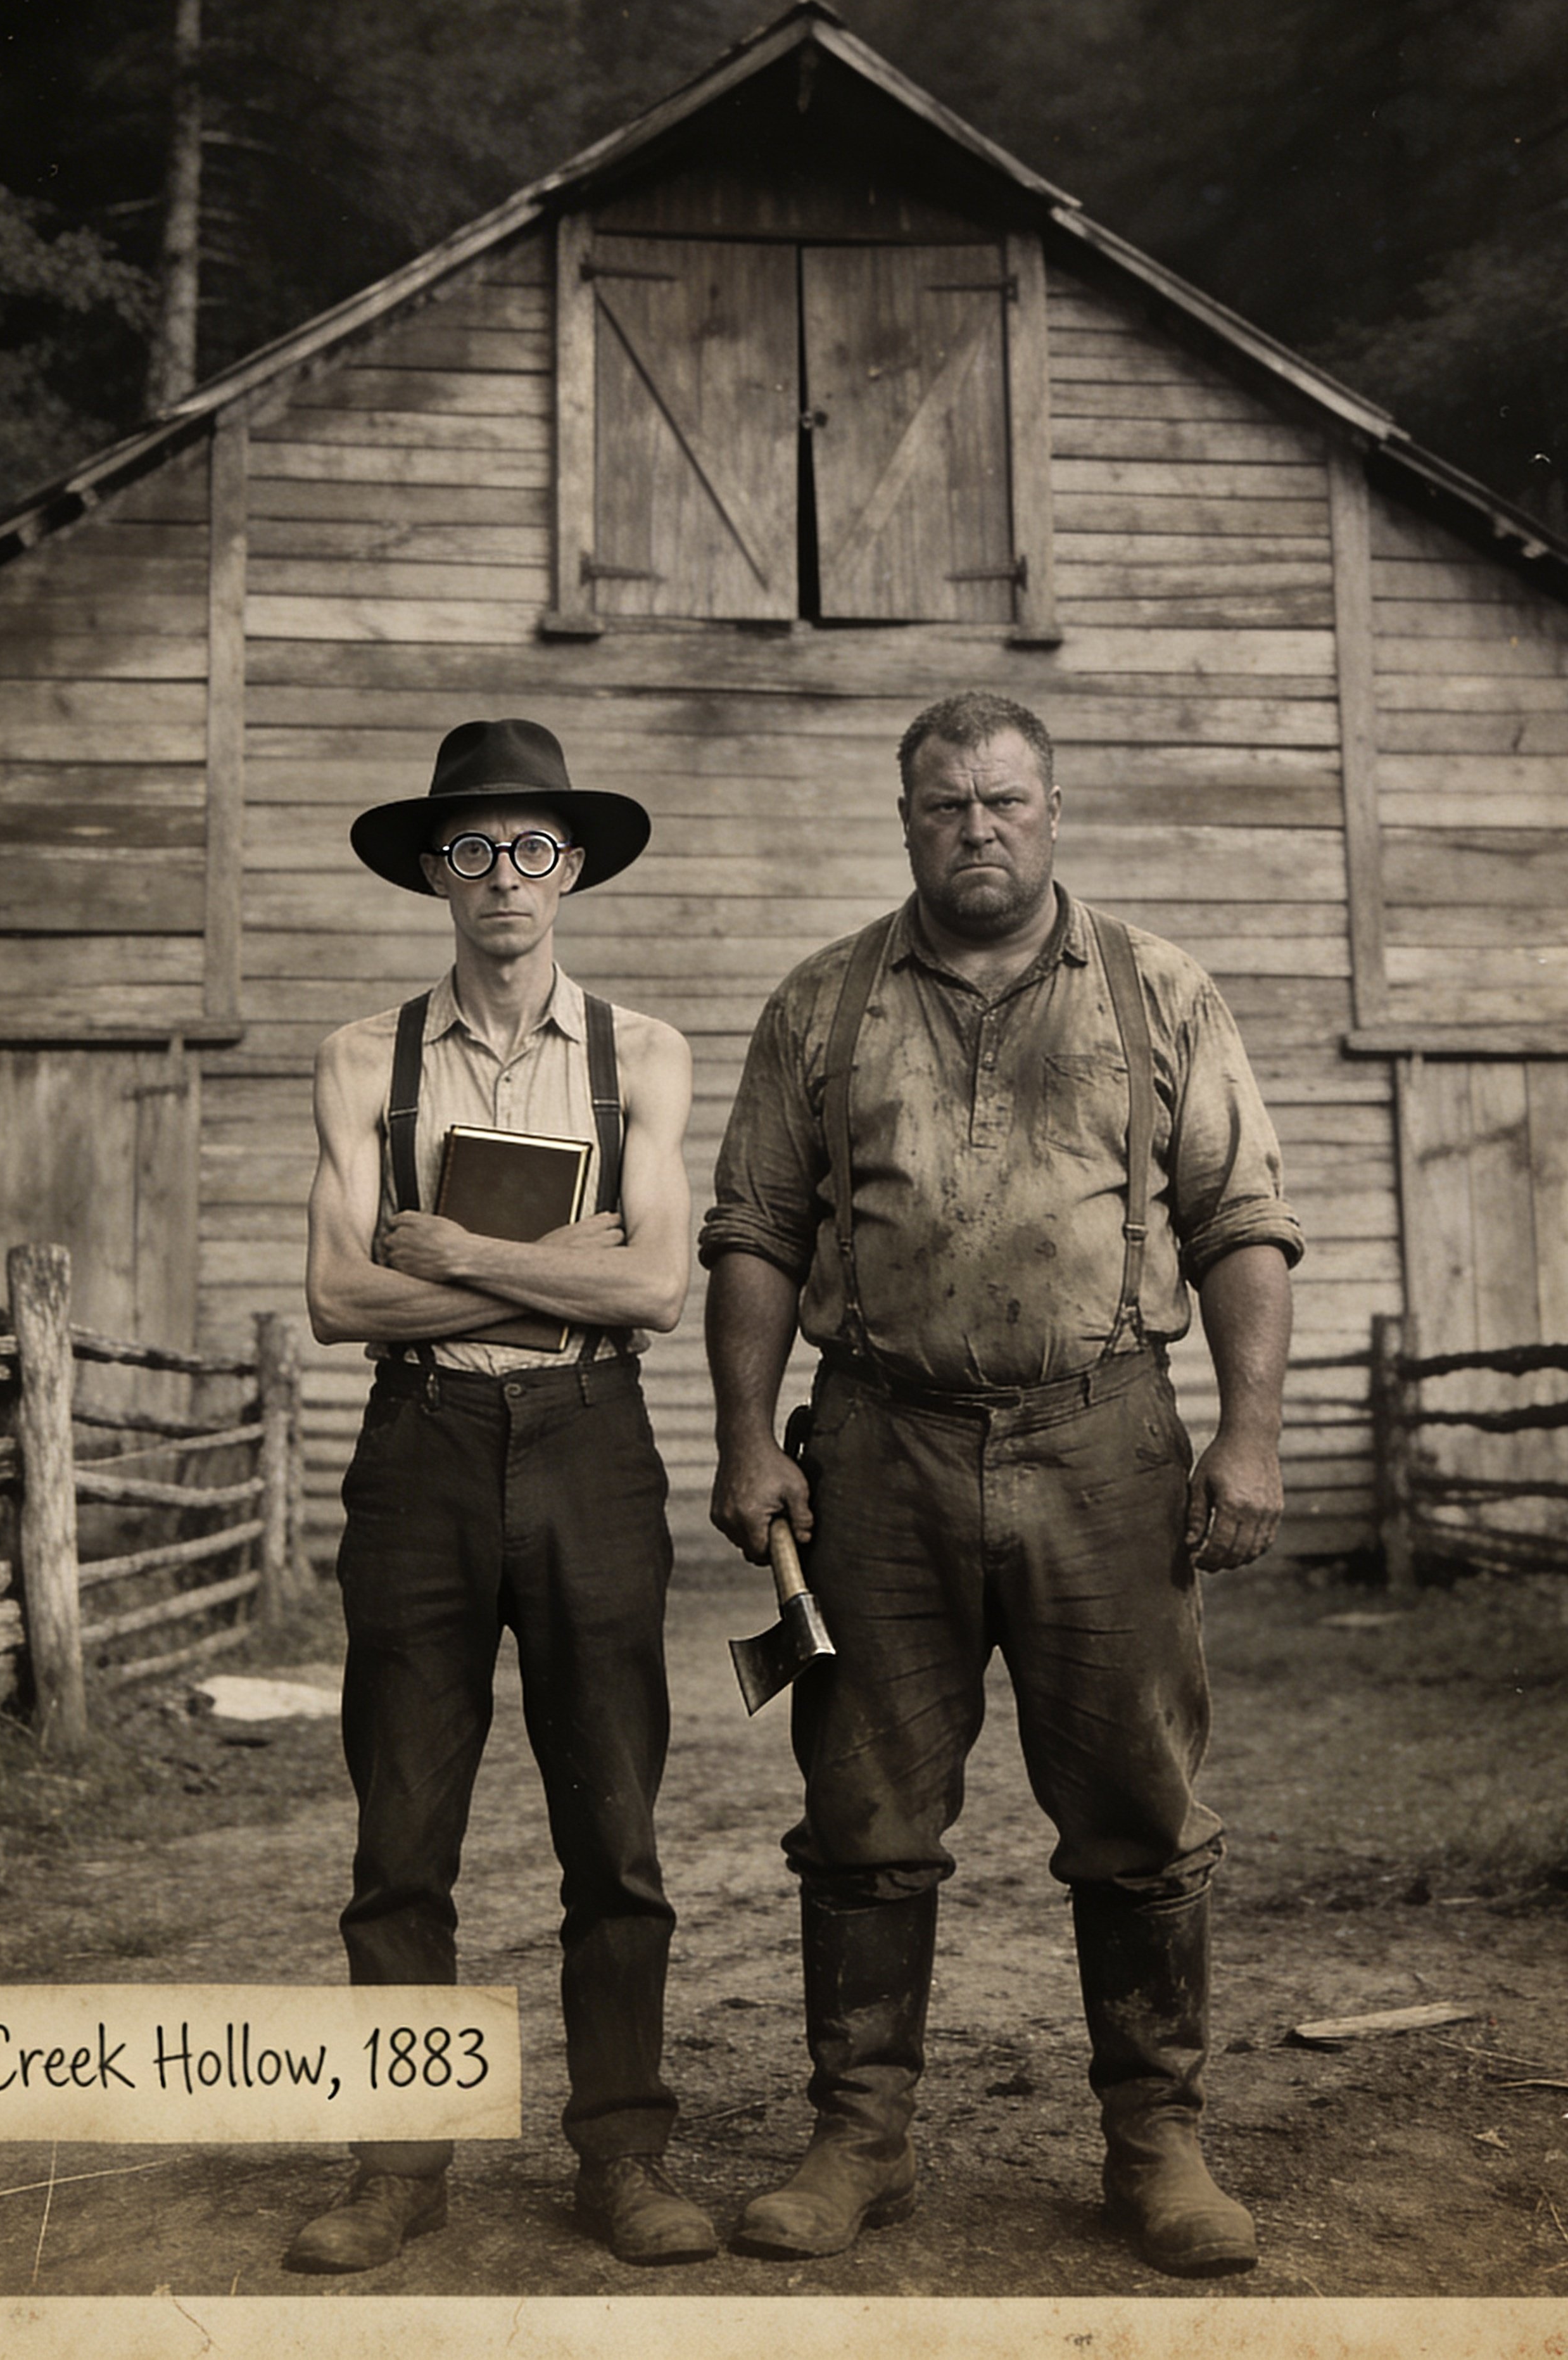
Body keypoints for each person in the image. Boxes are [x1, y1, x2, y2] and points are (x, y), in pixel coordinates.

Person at [703, 690, 1302, 2278]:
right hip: (874, 1449)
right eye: (945, 805)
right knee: (862, 1808)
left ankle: (1156, 2142)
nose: (978, 827)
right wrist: (747, 1434)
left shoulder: (1156, 989)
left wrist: (1247, 1434)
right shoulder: (821, 1003)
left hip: (1102, 1439)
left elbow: (1237, 1219)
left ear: (1053, 810)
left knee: (1136, 1804)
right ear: (905, 822)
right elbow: (756, 1231)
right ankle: (857, 2139)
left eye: (1005, 801)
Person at [287, 716, 715, 2273]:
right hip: (419, 1456)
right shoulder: (358, 1058)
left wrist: (457, 1254)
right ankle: (402, 2166)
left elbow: (659, 1287)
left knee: (615, 1827)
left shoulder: (645, 1056)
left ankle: (623, 2154)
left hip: (594, 1447)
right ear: (431, 872)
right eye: (470, 849)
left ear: (575, 866)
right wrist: (563, 1273)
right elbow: (339, 1300)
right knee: (402, 1828)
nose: (504, 878)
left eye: (533, 848)